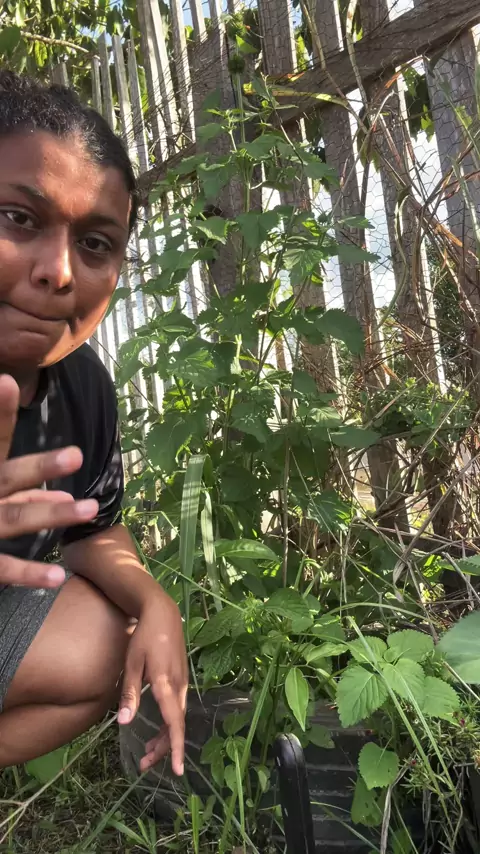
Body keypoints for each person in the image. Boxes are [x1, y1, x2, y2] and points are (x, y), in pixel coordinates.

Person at [0, 70, 188, 776]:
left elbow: (92, 528)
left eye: (96, 244)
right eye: (19, 218)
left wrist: (155, 600)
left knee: (109, 636)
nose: (59, 271)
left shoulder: (82, 387)